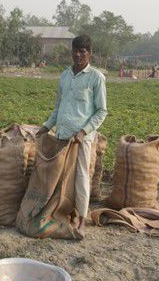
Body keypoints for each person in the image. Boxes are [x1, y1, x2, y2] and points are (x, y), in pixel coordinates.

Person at [38, 35, 108, 238]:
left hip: (80, 139)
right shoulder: (65, 76)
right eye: (75, 51)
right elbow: (58, 108)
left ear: (89, 53)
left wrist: (83, 131)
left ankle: (82, 221)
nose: (78, 55)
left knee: (81, 178)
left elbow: (101, 111)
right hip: (62, 135)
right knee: (59, 178)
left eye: (82, 51)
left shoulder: (96, 77)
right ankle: (60, 213)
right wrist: (46, 127)